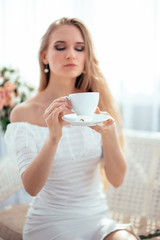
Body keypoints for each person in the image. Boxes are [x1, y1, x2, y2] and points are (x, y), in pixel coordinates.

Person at [4, 17, 139, 240]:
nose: (71, 54)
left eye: (79, 48)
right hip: (50, 223)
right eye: (60, 47)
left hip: (98, 220)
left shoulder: (98, 105)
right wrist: (53, 138)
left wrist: (110, 136)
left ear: (87, 56)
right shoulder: (23, 112)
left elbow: (116, 180)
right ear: (44, 56)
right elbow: (31, 187)